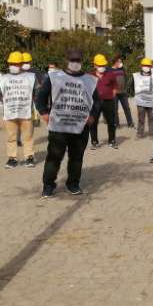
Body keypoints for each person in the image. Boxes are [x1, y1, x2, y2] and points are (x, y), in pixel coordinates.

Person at [35, 49, 101, 198]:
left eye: (78, 60)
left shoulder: (90, 80)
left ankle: (73, 183)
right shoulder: (54, 77)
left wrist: (92, 116)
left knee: (76, 158)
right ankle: (48, 185)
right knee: (54, 157)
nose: (75, 63)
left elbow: (97, 101)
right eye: (73, 60)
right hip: (58, 127)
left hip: (80, 127)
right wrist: (44, 113)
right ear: (67, 60)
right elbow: (41, 97)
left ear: (82, 61)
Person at [0, 51, 37, 168]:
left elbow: (35, 92)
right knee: (11, 137)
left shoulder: (31, 77)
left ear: (21, 64)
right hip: (9, 113)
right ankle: (12, 158)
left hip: (26, 112)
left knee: (28, 136)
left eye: (16, 63)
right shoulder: (3, 78)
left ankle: (29, 157)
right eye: (11, 63)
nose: (13, 66)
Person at [89, 54, 119, 149]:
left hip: (108, 101)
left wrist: (112, 95)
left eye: (103, 65)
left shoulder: (110, 74)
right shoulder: (89, 75)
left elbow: (115, 86)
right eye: (100, 65)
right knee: (93, 122)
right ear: (95, 65)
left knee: (111, 122)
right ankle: (94, 142)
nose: (102, 67)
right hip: (94, 103)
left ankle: (112, 141)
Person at [111, 55, 134, 129]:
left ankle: (130, 123)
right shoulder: (109, 70)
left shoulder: (122, 69)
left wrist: (126, 87)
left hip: (123, 92)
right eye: (120, 61)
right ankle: (117, 124)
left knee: (127, 108)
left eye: (121, 61)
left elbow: (125, 78)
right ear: (115, 62)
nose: (121, 63)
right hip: (115, 93)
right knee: (115, 109)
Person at [133, 58, 153, 138]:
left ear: (151, 66)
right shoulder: (136, 76)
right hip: (140, 101)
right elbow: (132, 86)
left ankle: (152, 133)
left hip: (151, 101)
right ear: (141, 66)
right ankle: (140, 133)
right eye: (145, 65)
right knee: (141, 118)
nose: (146, 67)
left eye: (148, 65)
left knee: (152, 118)